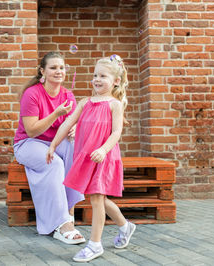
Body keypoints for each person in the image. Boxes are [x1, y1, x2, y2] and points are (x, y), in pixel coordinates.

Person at [46, 54, 136, 262]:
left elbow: (116, 133)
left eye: (103, 76)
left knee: (96, 198)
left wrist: (103, 150)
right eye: (95, 75)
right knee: (99, 198)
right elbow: (67, 124)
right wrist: (53, 145)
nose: (96, 79)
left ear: (115, 81)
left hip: (104, 157)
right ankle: (125, 226)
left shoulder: (115, 105)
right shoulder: (85, 102)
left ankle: (95, 245)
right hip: (86, 157)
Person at [13, 52, 86, 244]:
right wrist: (56, 114)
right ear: (42, 71)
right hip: (28, 144)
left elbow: (73, 123)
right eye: (53, 68)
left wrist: (75, 128)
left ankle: (69, 213)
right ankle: (61, 225)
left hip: (55, 142)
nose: (58, 71)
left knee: (73, 147)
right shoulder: (33, 93)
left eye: (61, 67)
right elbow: (31, 131)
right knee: (54, 163)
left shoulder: (68, 95)